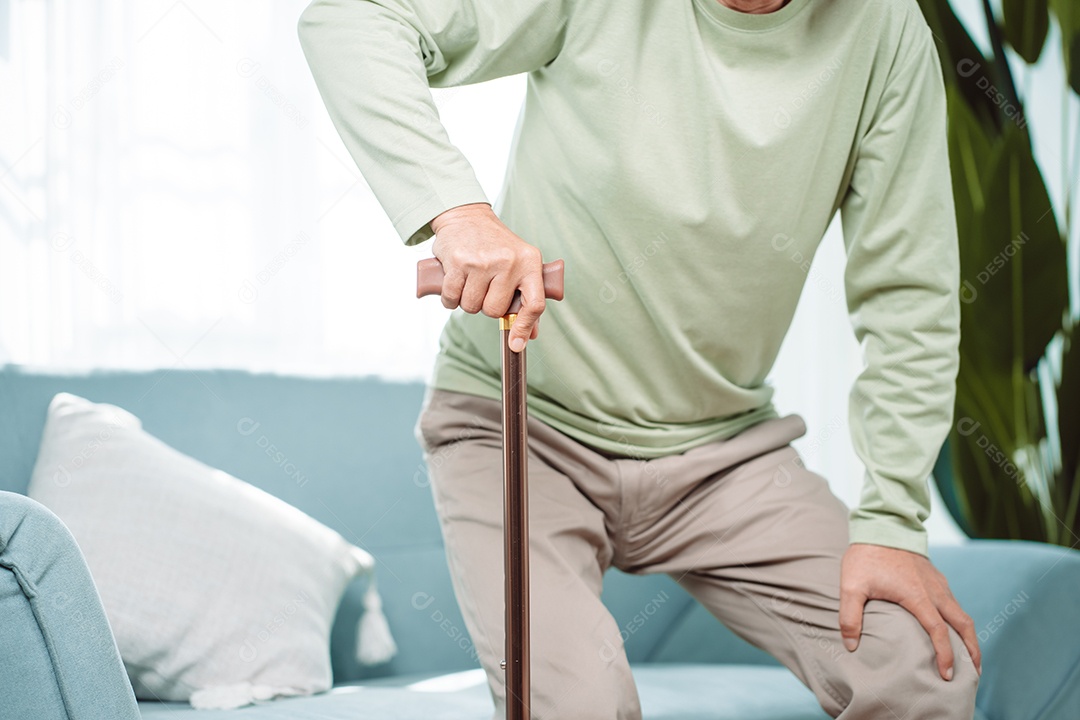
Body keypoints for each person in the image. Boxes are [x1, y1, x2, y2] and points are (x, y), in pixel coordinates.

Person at [299, 0, 982, 717]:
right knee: (580, 706)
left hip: (724, 454)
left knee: (919, 671)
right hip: (521, 432)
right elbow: (352, 21)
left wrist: (892, 524)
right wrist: (457, 211)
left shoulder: (886, 28)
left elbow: (911, 295)